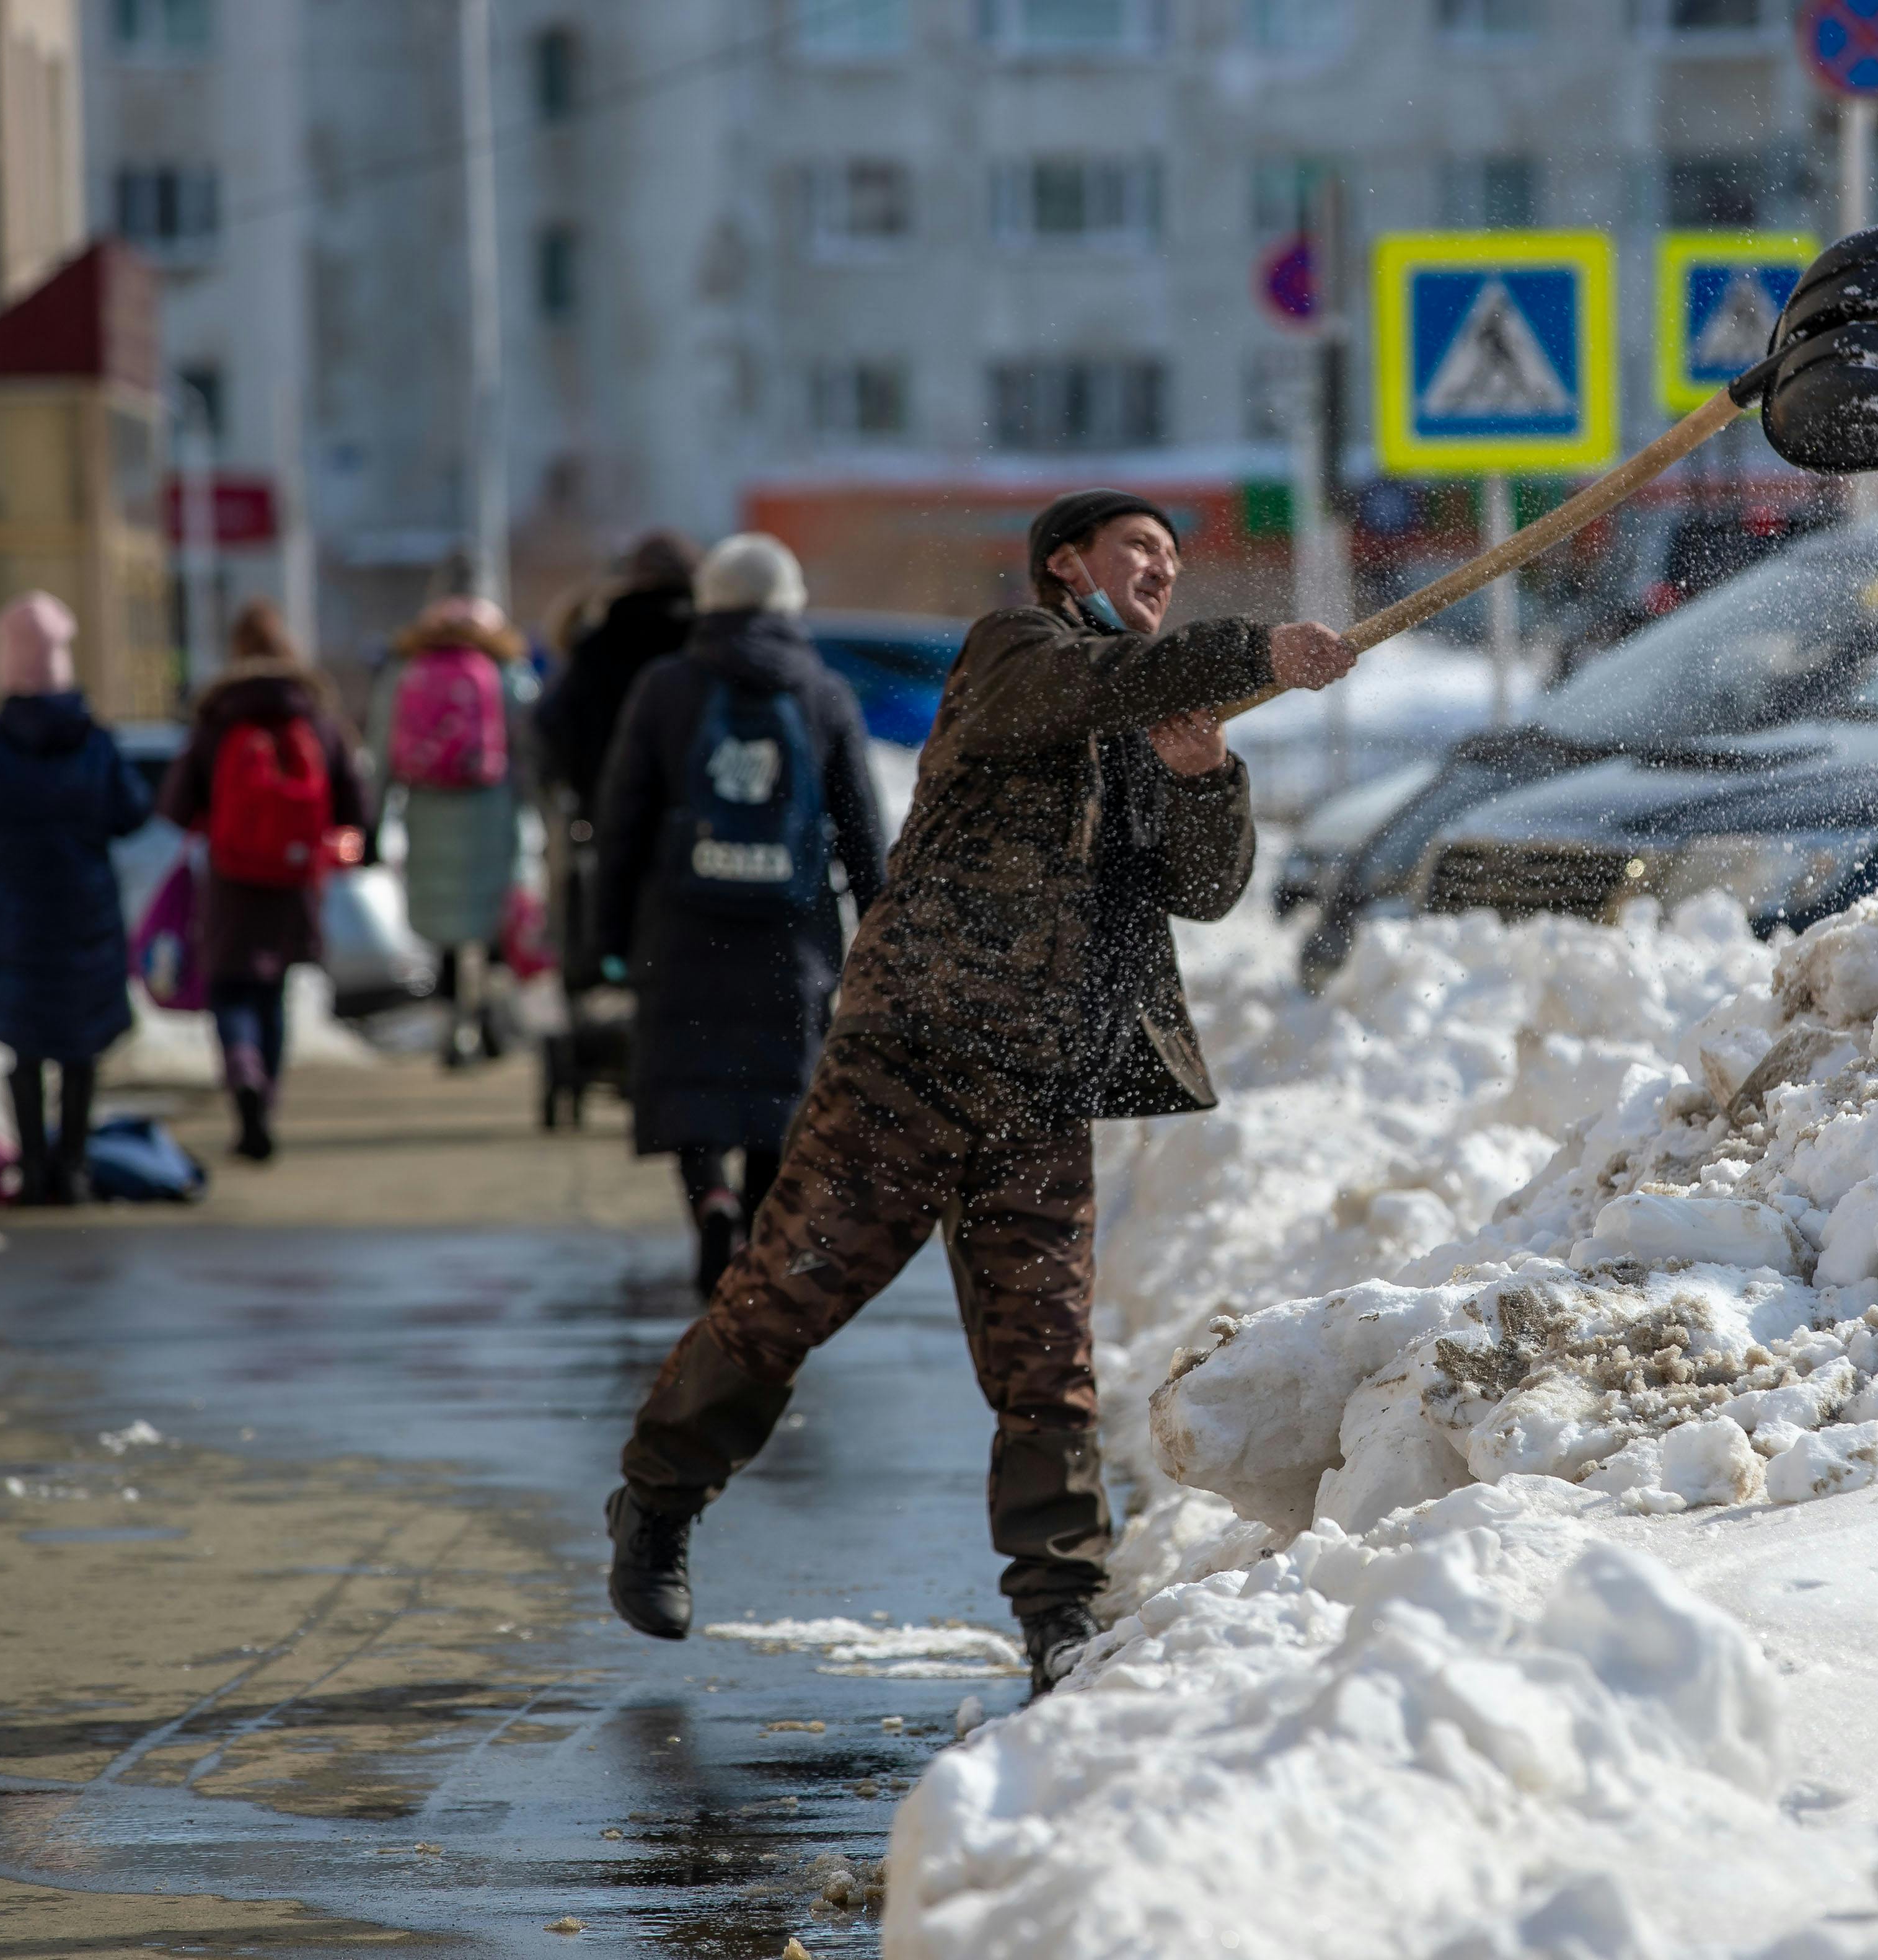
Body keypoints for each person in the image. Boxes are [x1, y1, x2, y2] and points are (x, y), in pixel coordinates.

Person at [602, 488, 1357, 1689]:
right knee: (790, 1295)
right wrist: (1254, 651)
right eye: (1137, 551)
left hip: (1043, 1083)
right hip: (915, 1055)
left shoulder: (1143, 708)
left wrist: (1205, 772)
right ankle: (657, 1499)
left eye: (1172, 558)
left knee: (1045, 1358)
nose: (1161, 572)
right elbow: (1083, 687)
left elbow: (1204, 889)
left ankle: (1060, 1605)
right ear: (1068, 563)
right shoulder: (1021, 652)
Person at [593, 534, 886, 1296]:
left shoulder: (666, 687)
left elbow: (622, 818)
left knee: (688, 1081)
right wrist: (878, 929)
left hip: (683, 922)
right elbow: (860, 823)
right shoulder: (822, 691)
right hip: (791, 930)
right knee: (776, 1087)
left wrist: (607, 937)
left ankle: (710, 1202)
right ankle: (754, 1231)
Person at [0, 594, 153, 1204]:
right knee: (82, 1046)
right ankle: (75, 1167)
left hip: (16, 913)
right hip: (85, 910)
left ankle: (34, 1168)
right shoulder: (95, 742)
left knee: (25, 1045)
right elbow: (132, 811)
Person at [157, 601, 374, 1162]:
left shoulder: (219, 715)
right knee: (273, 992)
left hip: (231, 878)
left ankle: (242, 1073)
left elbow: (178, 806)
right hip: (297, 878)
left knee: (230, 989)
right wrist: (343, 853)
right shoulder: (316, 716)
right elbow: (354, 807)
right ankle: (267, 1098)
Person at [368, 594, 535, 1068]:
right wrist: (535, 809)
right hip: (491, 813)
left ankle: (451, 1028)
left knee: (442, 930)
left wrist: (375, 818)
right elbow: (528, 751)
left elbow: (381, 749)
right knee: (490, 923)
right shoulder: (506, 673)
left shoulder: (405, 672)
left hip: (427, 812)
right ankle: (486, 1018)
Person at [537, 533, 699, 981]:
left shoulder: (595, 647)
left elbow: (554, 730)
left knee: (619, 935)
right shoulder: (706, 643)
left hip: (607, 819)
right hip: (700, 824)